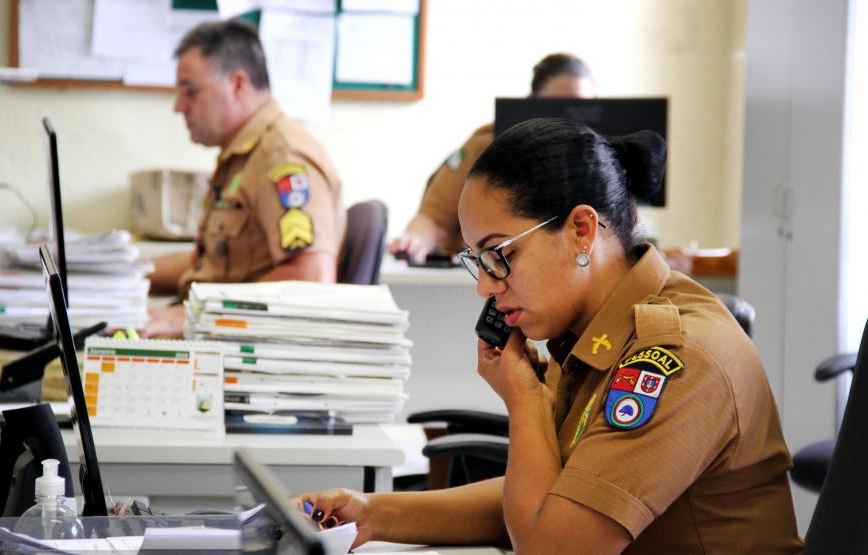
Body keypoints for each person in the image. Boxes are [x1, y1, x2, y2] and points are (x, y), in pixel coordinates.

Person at [298, 119, 803, 553]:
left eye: (501, 255)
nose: (485, 286)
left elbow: (551, 546)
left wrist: (525, 401)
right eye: (477, 260)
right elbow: (549, 503)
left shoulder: (674, 358)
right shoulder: (589, 330)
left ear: (582, 230)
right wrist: (373, 515)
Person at [146, 19, 346, 338]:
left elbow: (310, 277)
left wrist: (188, 316)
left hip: (245, 349)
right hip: (215, 335)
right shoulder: (243, 157)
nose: (178, 107)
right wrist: (123, 276)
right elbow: (208, 263)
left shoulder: (281, 157)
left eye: (191, 92)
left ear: (238, 84)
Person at [388, 53, 596, 263]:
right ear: (532, 103)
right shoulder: (487, 144)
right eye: (556, 107)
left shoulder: (605, 158)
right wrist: (413, 241)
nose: (569, 119)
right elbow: (433, 218)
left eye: (582, 108)